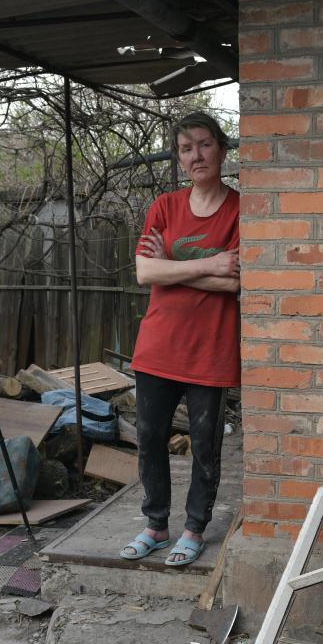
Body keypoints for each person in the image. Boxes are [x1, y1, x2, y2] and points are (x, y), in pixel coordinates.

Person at [119, 112, 240, 567]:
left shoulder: (239, 210)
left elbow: (236, 283)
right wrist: (209, 265)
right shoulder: (165, 207)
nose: (197, 155)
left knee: (205, 444)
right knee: (149, 438)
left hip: (210, 349)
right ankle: (155, 525)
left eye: (205, 145)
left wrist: (173, 266)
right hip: (158, 346)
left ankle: (194, 528)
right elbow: (144, 271)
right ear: (179, 158)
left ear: (222, 150)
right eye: (187, 148)